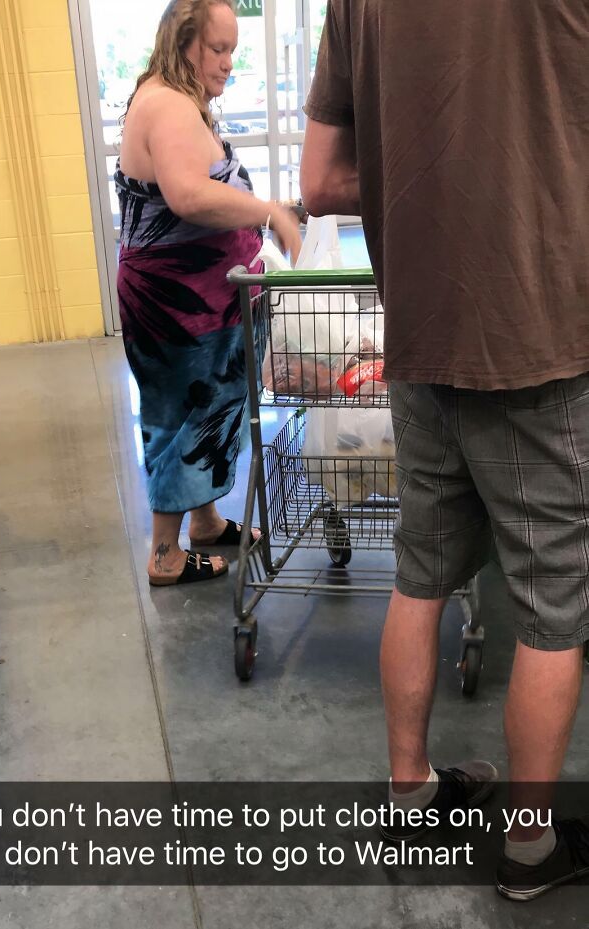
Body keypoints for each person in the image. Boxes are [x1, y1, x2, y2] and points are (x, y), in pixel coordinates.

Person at [300, 0, 589, 901]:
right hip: (539, 330)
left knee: (420, 572)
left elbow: (319, 179)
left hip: (421, 327)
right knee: (553, 601)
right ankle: (532, 849)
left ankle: (412, 788)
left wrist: (426, 184)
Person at [116, 0, 301, 586]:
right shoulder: (167, 104)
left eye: (232, 52)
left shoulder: (176, 98)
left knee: (208, 409)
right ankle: (166, 555)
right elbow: (188, 196)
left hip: (198, 297)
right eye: (217, 50)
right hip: (176, 304)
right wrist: (268, 211)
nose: (227, 64)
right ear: (183, 42)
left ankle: (205, 521)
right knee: (179, 416)